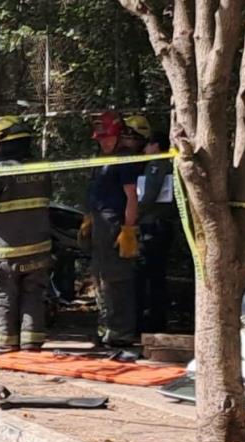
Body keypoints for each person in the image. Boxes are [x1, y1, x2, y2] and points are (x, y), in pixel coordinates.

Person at [0, 116, 51, 353]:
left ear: (2, 142)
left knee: (4, 294)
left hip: (6, 248)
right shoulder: (42, 168)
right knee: (33, 294)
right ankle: (32, 342)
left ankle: (5, 344)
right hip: (39, 245)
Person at [82, 111, 140, 347]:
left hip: (115, 225)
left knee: (118, 279)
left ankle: (121, 331)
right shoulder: (101, 158)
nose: (103, 142)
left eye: (107, 138)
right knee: (100, 277)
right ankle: (106, 326)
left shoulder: (124, 160)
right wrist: (88, 218)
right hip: (99, 223)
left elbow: (132, 196)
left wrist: (128, 228)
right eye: (100, 139)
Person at [136, 130, 176, 333]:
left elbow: (149, 195)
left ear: (156, 146)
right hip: (158, 225)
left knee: (152, 276)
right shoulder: (163, 163)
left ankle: (153, 321)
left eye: (147, 145)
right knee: (155, 275)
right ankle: (154, 319)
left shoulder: (157, 165)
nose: (144, 149)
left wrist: (135, 213)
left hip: (154, 226)